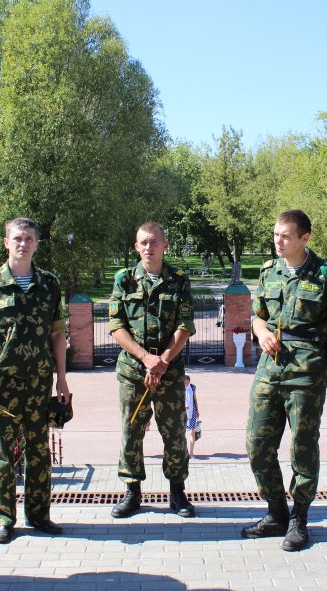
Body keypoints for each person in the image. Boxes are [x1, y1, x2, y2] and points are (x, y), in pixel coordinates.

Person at [242, 209, 327, 551]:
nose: (278, 241)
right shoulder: (269, 270)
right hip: (269, 369)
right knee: (257, 443)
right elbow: (257, 315)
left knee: (303, 448)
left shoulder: (326, 275)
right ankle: (276, 512)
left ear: (305, 238)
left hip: (307, 372)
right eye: (275, 234)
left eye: (286, 236)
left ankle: (299, 518)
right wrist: (261, 331)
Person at [0, 217, 70, 544]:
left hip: (39, 382)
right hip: (3, 385)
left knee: (39, 452)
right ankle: (3, 518)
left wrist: (62, 379)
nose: (23, 244)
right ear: (6, 242)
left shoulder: (49, 284)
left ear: (37, 244)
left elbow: (57, 333)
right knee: (1, 454)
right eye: (17, 238)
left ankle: (39, 515)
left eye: (28, 239)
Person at [108, 222, 196, 518]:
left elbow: (185, 325)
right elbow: (116, 326)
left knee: (174, 432)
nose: (149, 247)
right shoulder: (124, 280)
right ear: (136, 247)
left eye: (154, 242)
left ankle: (177, 492)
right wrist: (146, 358)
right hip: (134, 371)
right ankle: (132, 492)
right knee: (131, 430)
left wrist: (163, 361)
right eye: (144, 242)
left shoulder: (179, 280)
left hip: (169, 371)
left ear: (165, 246)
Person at [185, 375, 200, 458]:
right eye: (185, 382)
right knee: (182, 433)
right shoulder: (179, 387)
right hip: (182, 412)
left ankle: (191, 452)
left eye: (187, 382)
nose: (186, 384)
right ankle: (184, 452)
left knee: (192, 432)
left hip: (192, 411)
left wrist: (197, 410)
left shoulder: (192, 387)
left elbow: (195, 399)